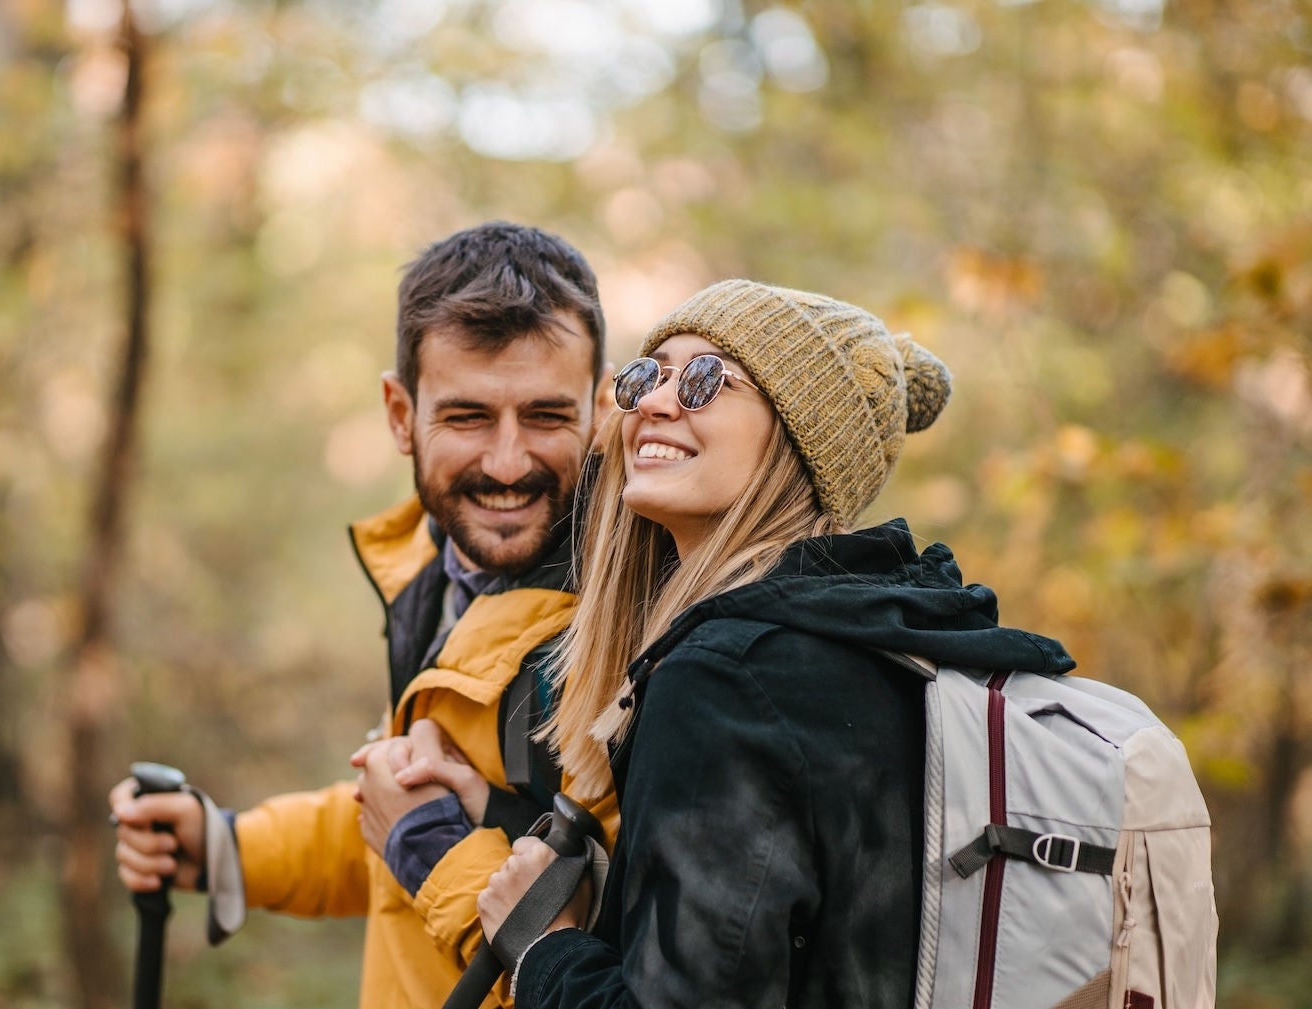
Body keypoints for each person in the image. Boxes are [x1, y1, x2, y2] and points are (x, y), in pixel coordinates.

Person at [474, 279, 1077, 1008]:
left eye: (705, 380)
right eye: (647, 375)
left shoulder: (726, 679)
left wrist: (542, 947)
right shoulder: (899, 647)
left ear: (801, 440)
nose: (655, 404)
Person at [109, 221, 621, 1009]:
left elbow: (619, 957)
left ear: (602, 407)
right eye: (468, 417)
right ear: (398, 412)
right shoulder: (434, 579)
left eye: (548, 415)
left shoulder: (628, 627)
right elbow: (395, 820)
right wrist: (225, 846)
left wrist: (433, 851)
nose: (509, 462)